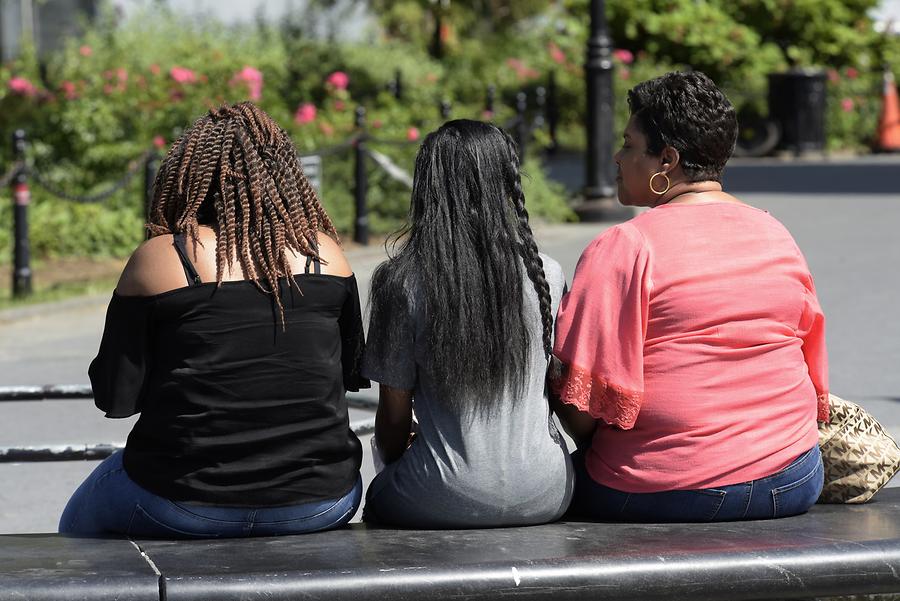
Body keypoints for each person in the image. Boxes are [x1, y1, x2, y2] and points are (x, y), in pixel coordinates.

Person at [59, 102, 368, 538]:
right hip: (323, 500)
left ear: (186, 177)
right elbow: (348, 374)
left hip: (181, 499)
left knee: (75, 524)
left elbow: (115, 397)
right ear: (285, 178)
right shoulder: (327, 256)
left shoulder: (162, 259)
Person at [552, 71, 827, 522]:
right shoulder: (775, 233)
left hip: (663, 489)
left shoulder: (625, 246)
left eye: (628, 144)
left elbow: (579, 404)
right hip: (793, 477)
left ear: (667, 160)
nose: (617, 158)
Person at [362, 119, 573, 528]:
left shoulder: (401, 281)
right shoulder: (545, 272)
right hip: (547, 491)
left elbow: (393, 416)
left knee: (376, 495)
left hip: (441, 491)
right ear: (506, 185)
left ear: (427, 188)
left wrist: (397, 462)